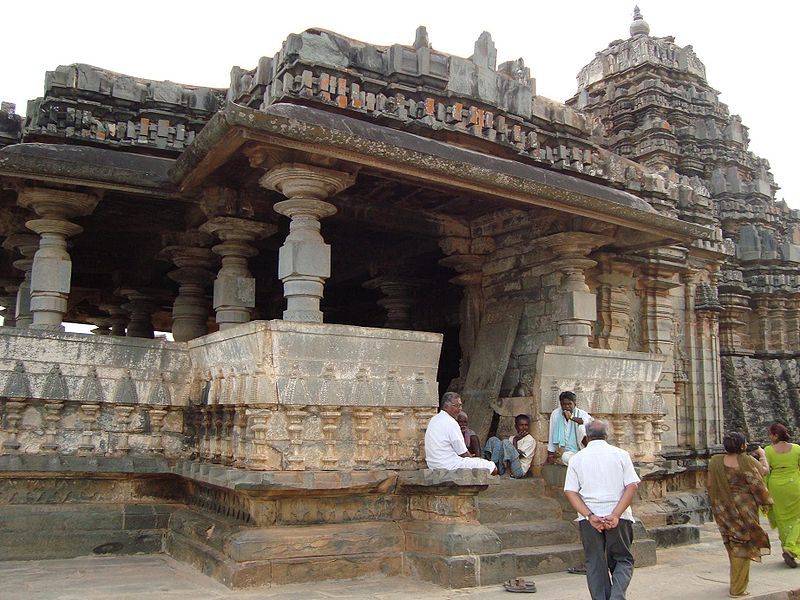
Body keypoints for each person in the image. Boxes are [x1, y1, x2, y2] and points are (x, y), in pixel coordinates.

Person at [563, 420, 640, 600]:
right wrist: (615, 514)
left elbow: (570, 491)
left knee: (595, 563)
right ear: (607, 436)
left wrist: (590, 516)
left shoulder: (577, 459)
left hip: (590, 518)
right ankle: (617, 596)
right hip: (619, 516)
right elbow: (632, 486)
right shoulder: (621, 455)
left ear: (586, 437)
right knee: (623, 559)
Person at [707, 431, 772, 598]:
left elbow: (709, 483)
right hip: (744, 507)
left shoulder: (715, 461)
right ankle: (737, 588)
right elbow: (763, 472)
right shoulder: (747, 460)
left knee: (732, 541)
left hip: (723, 507)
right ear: (743, 446)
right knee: (743, 545)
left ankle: (737, 580)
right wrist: (763, 455)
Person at [424, 392, 497, 474]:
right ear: (446, 406)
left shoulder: (434, 419)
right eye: (457, 406)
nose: (460, 408)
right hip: (448, 465)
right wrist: (472, 459)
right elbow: (462, 452)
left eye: (461, 405)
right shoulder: (451, 422)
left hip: (433, 465)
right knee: (492, 467)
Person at [764, 422, 800, 568]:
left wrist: (764, 491)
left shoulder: (768, 450)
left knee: (782, 519)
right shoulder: (797, 449)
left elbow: (766, 471)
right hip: (794, 485)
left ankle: (788, 545)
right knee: (797, 518)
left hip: (776, 487)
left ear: (775, 435)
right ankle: (791, 547)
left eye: (770, 434)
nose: (769, 437)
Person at [547, 390, 593, 465]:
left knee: (581, 428)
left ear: (575, 404)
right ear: (560, 404)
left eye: (569, 404)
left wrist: (571, 417)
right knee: (565, 457)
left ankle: (584, 460)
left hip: (581, 449)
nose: (567, 407)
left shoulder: (580, 413)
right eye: (564, 404)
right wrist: (550, 454)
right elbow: (551, 433)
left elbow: (589, 423)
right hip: (566, 452)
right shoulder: (556, 414)